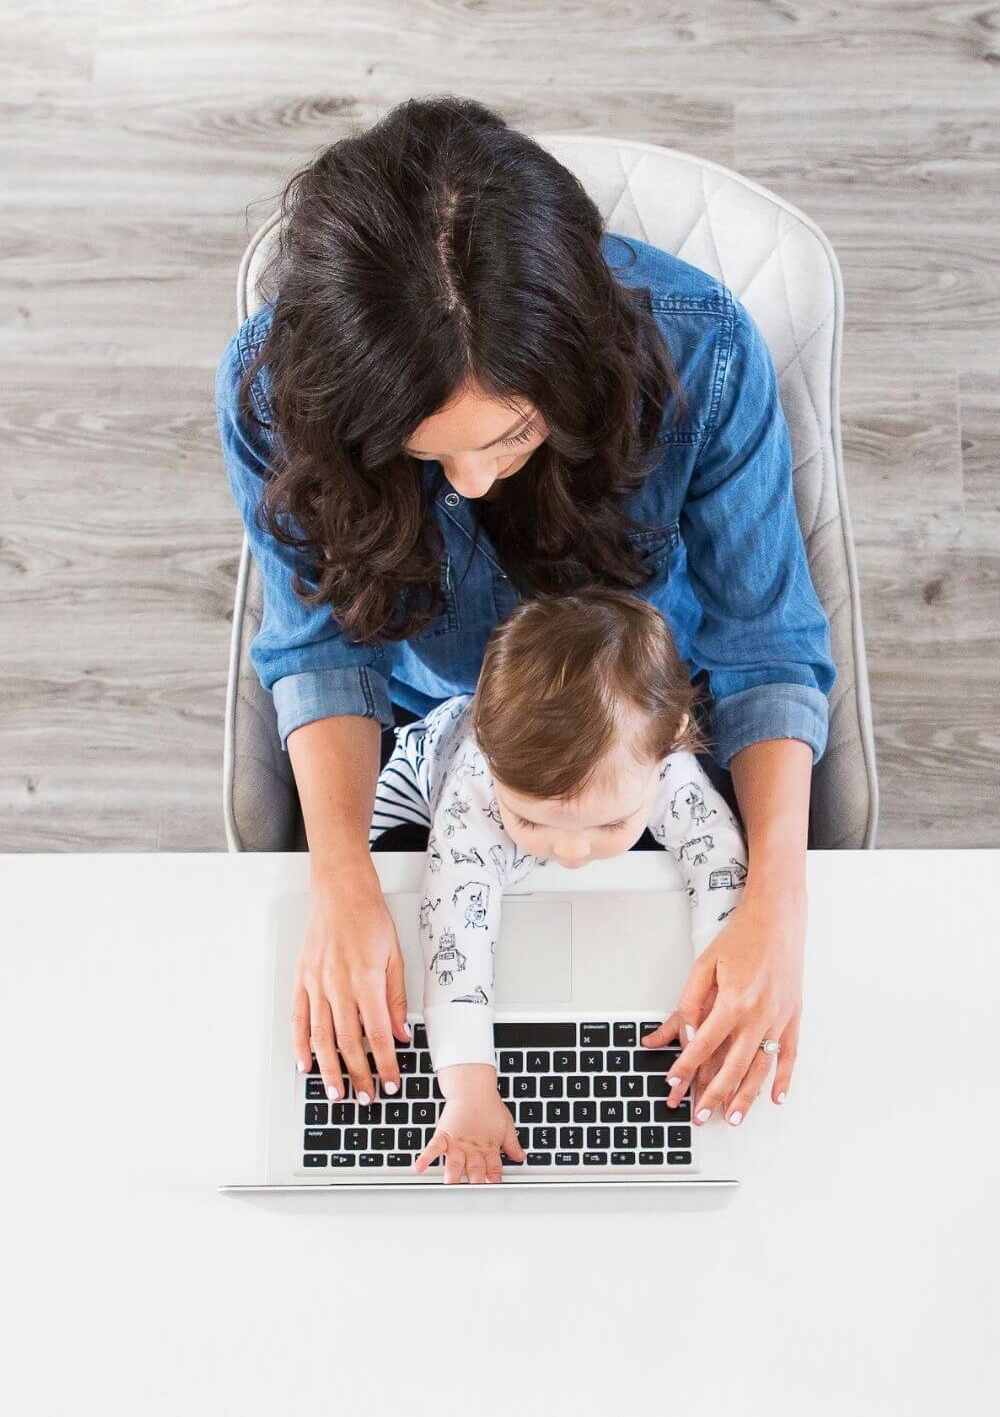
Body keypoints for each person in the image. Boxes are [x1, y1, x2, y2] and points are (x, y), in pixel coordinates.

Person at [214, 95, 834, 1132]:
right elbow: (320, 645)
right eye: (423, 452)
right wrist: (342, 883)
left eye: (506, 437)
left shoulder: (706, 355)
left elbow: (764, 643)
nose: (466, 484)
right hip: (416, 740)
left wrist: (777, 901)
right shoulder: (277, 392)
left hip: (634, 732)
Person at [367, 587, 748, 1184]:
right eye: (535, 821)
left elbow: (719, 859)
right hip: (418, 802)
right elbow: (452, 950)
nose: (572, 853)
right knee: (400, 873)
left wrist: (717, 996)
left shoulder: (661, 755)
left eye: (609, 823)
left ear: (670, 741)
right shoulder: (476, 793)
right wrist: (468, 1093)